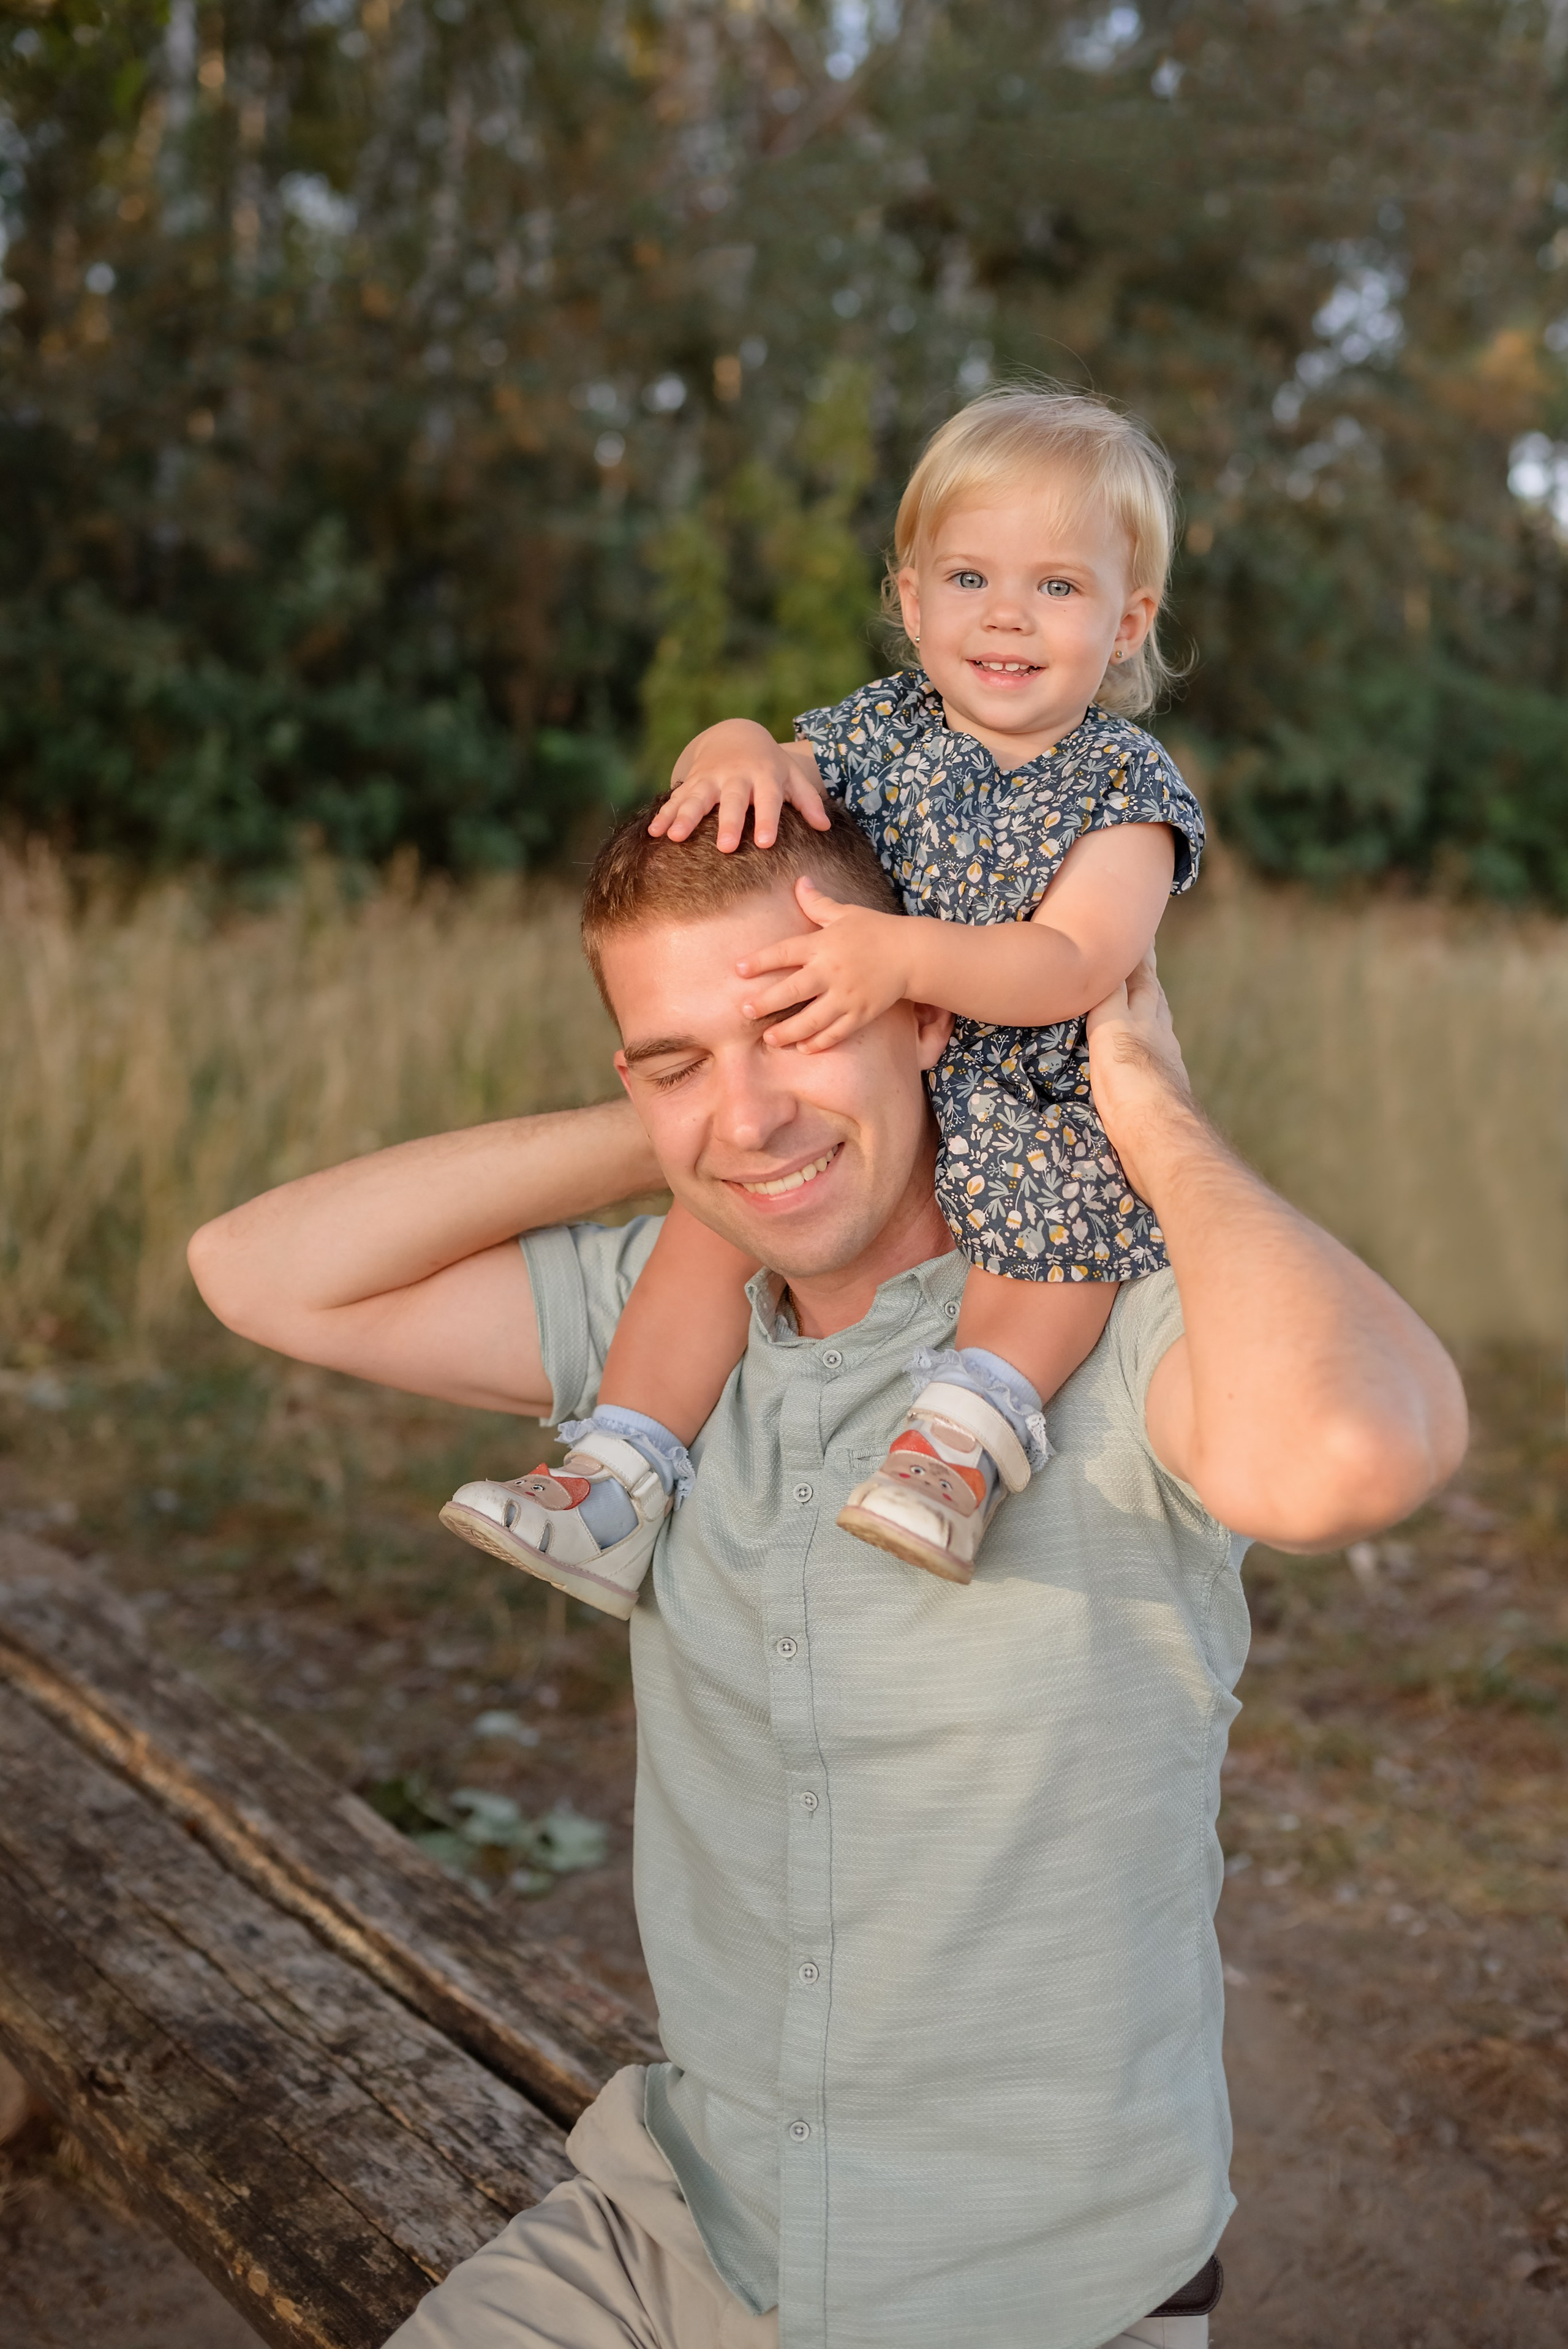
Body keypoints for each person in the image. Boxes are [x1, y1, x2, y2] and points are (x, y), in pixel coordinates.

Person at [187, 799, 1466, 2349]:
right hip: (676, 2241)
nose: (753, 1114)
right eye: (673, 1058)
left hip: (1025, 2302)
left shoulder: (1103, 1334)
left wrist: (1130, 1108)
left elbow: (1347, 1453)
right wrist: (692, 1127)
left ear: (923, 1014)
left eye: (798, 1023)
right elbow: (255, 1271)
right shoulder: (659, 1333)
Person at [439, 389, 1206, 1612]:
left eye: (1057, 587)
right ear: (909, 600)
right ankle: (614, 1476)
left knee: (1063, 1223)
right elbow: (760, 773)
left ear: (1127, 622)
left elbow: (1070, 961)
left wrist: (902, 957)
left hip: (1024, 1087)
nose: (1005, 613)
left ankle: (957, 1449)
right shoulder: (878, 729)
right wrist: (731, 744)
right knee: (708, 1236)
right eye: (967, 577)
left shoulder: (1121, 786)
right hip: (851, 1065)